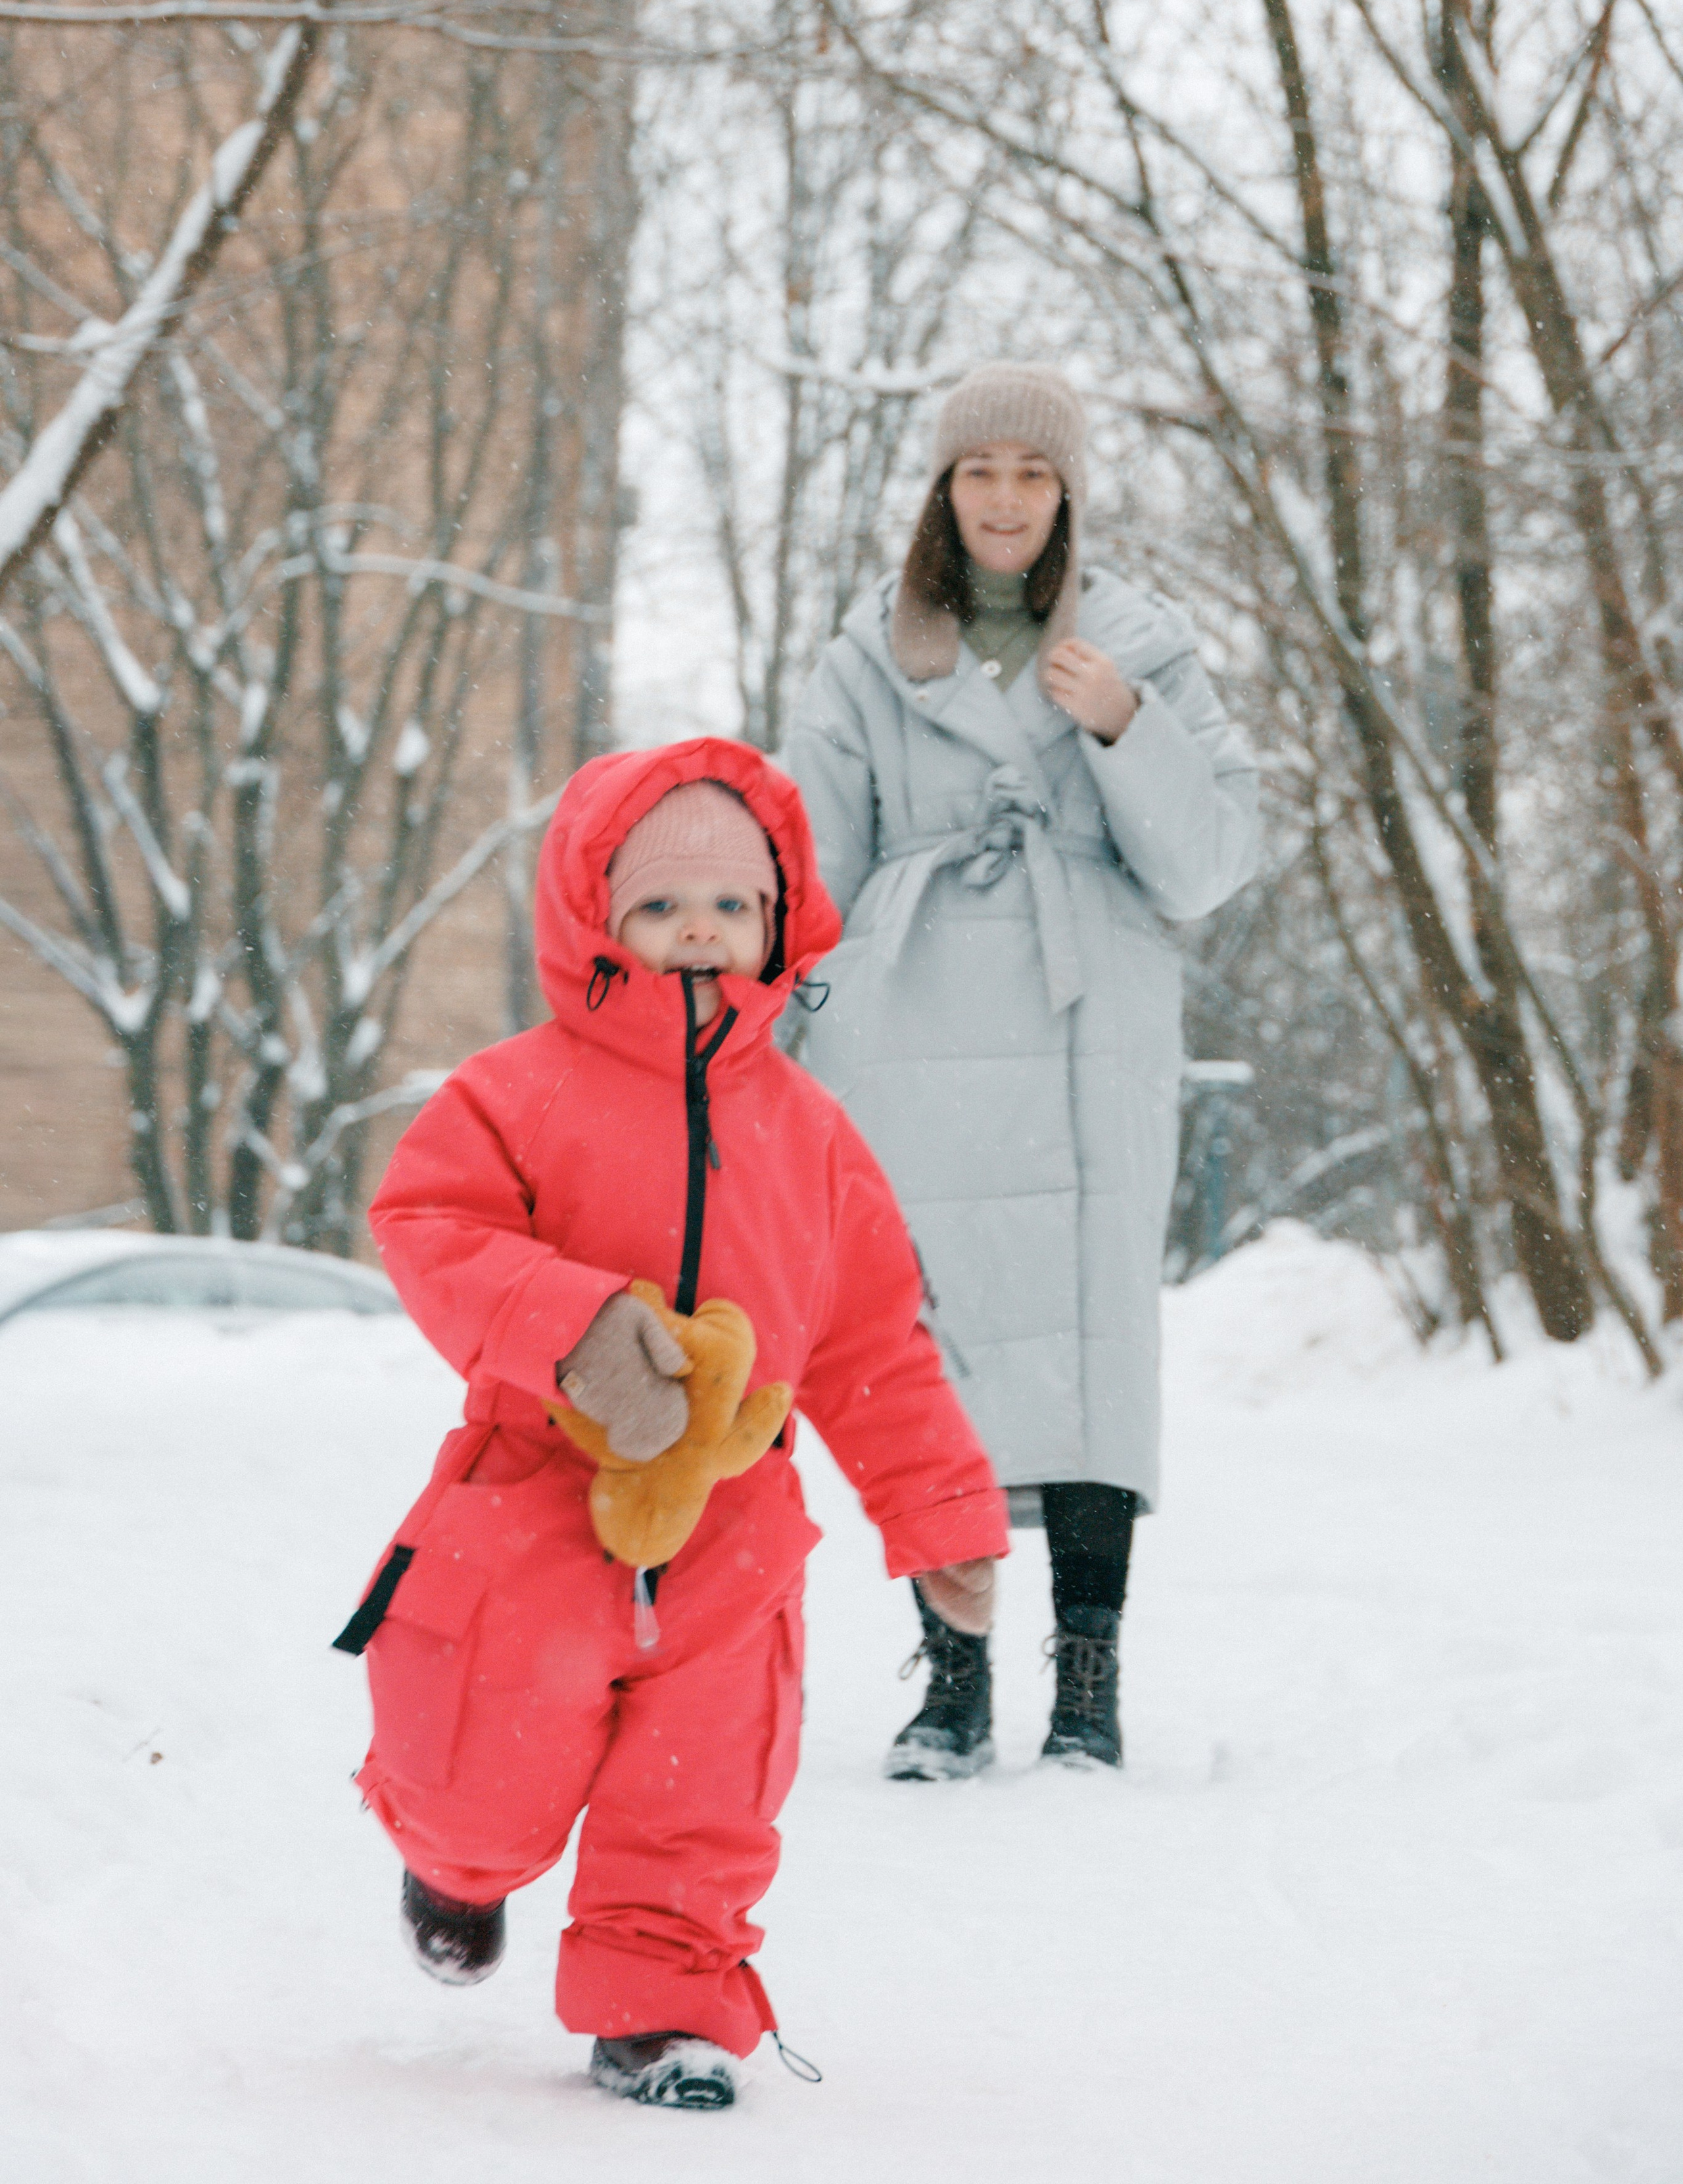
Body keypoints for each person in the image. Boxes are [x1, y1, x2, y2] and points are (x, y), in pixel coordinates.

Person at [334, 737, 1006, 2114]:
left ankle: (661, 2007)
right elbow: (428, 1227)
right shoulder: (511, 1095)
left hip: (736, 1523)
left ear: (776, 925)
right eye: (657, 907)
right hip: (532, 1496)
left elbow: (876, 1341)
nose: (696, 931)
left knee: (701, 1792)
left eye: (729, 907)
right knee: (477, 1759)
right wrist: (571, 1331)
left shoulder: (813, 1136)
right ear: (595, 923)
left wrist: (935, 1515)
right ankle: (455, 1865)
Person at [782, 362, 1258, 1777]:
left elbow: (1211, 861)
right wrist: (788, 1009)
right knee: (933, 1350)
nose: (1002, 498)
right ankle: (951, 1680)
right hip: (910, 1027)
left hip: (1082, 1022)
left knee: (1090, 1345)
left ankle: (1088, 1683)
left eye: (1030, 473)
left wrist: (1123, 724)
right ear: (942, 489)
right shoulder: (864, 655)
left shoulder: (1141, 646)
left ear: (1066, 495)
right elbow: (810, 853)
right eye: (977, 470)